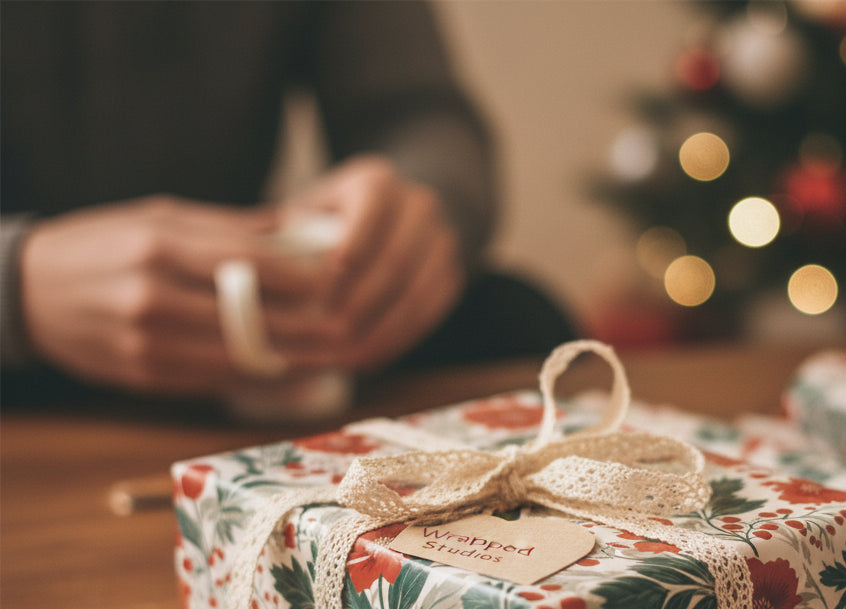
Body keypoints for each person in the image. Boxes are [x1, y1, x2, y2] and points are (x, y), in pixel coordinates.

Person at [1, 1, 574, 412]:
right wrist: (17, 284)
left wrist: (417, 207)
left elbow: (418, 111)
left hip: (241, 343)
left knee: (517, 317)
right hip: (21, 364)